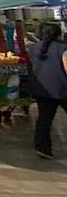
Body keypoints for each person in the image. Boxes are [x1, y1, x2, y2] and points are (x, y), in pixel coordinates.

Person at [27, 23, 67, 159]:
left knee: (44, 119)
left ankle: (42, 148)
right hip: (62, 88)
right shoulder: (63, 48)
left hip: (42, 90)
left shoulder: (32, 49)